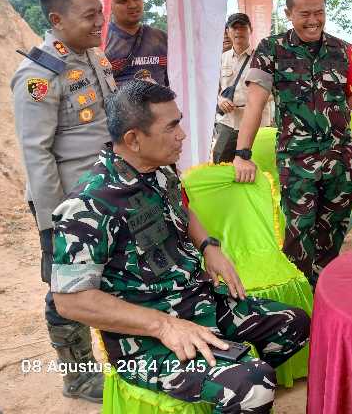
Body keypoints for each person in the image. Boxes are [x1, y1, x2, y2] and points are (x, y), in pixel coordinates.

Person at [50, 81, 310, 414]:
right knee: (254, 384)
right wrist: (163, 325)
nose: (182, 135)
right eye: (171, 127)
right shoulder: (89, 204)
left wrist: (209, 246)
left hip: (199, 302)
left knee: (294, 324)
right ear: (133, 139)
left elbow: (182, 209)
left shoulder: (159, 171)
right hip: (147, 341)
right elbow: (70, 301)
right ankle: (239, 385)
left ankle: (227, 383)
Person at [10, 0, 117, 402]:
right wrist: (53, 220)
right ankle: (78, 376)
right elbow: (36, 154)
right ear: (57, 19)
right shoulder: (38, 74)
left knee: (105, 283)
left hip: (104, 196)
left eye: (99, 12)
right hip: (69, 205)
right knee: (66, 290)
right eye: (90, 15)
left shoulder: (94, 57)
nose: (100, 22)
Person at [233, 0, 352, 285]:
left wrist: (328, 117)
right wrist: (242, 153)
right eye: (305, 14)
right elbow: (255, 104)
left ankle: (328, 300)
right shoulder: (272, 49)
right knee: (298, 236)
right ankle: (300, 308)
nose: (313, 20)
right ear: (289, 13)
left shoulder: (344, 50)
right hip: (297, 163)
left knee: (333, 235)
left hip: (339, 160)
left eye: (319, 12)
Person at [106, 0, 168, 86]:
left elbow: (174, 79)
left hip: (163, 101)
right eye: (123, 1)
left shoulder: (162, 38)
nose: (133, 5)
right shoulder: (101, 42)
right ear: (109, 6)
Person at [213, 13, 254, 163]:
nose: (238, 31)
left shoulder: (261, 58)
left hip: (255, 123)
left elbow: (271, 91)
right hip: (228, 122)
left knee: (254, 165)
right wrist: (220, 100)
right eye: (234, 28)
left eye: (242, 27)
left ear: (251, 30)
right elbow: (213, 89)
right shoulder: (220, 59)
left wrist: (253, 103)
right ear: (228, 31)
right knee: (219, 162)